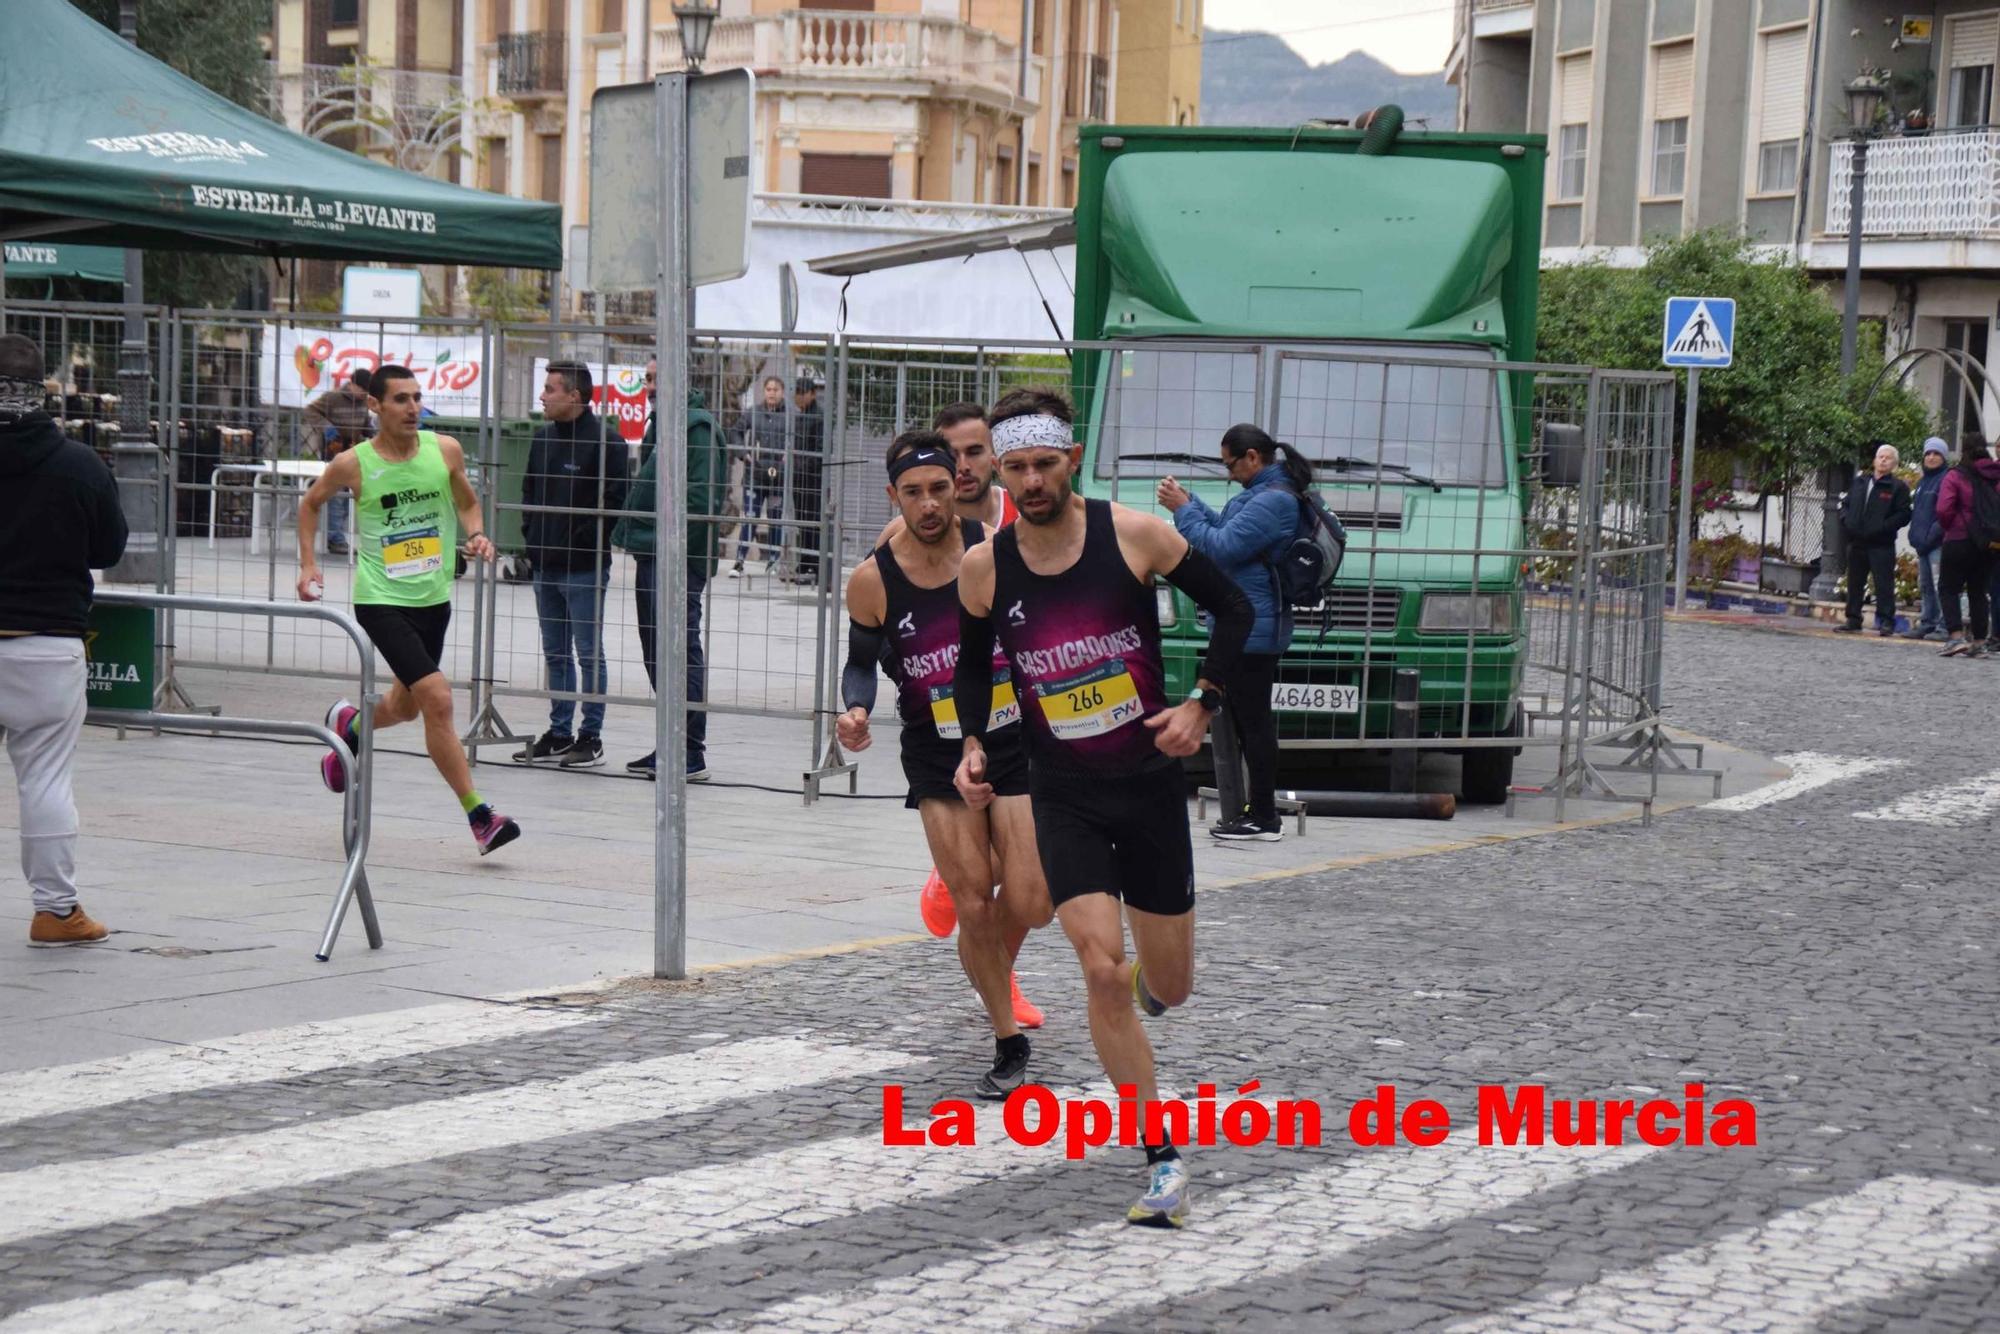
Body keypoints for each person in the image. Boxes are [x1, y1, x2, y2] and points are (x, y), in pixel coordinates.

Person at [951, 387, 1254, 1228]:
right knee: (1097, 968)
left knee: (1172, 984)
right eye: (1016, 469)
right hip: (1065, 794)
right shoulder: (988, 567)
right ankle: (1161, 1160)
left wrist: (1202, 703)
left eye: (1045, 465)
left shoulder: (1137, 534)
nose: (1032, 481)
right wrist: (975, 743)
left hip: (1150, 788)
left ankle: (1149, 996)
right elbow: (975, 667)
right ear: (1000, 474)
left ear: (1071, 458)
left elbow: (1236, 606)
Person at [838, 431, 1051, 1098]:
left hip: (1013, 738)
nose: (929, 504)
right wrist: (855, 709)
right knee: (973, 907)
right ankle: (1006, 1037)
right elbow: (859, 662)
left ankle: (986, 953)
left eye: (939, 488)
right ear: (892, 497)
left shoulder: (991, 554)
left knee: (1033, 900)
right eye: (913, 493)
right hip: (935, 749)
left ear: (957, 484)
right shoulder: (873, 579)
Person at [297, 364, 520, 856]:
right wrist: (308, 563)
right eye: (400, 399)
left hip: (432, 598)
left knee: (405, 705)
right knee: (438, 701)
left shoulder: (444, 451)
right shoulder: (353, 464)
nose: (413, 407)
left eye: (417, 398)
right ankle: (480, 816)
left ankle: (351, 727)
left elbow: (466, 501)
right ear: (374, 406)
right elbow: (311, 504)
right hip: (380, 599)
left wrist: (477, 533)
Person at [871, 405, 1023, 953]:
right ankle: (1000, 983)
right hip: (940, 732)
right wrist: (921, 673)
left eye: (974, 453)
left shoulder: (1018, 519)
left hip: (1017, 722)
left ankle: (962, 884)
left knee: (1033, 881)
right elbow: (878, 621)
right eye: (952, 454)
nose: (963, 468)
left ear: (994, 459)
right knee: (975, 891)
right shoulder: (904, 531)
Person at [0, 334, 128, 945]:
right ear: (44, 391)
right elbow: (108, 549)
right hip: (46, 641)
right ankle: (55, 912)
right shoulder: (80, 464)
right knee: (45, 780)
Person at [1157, 423, 1307, 842]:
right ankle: (1257, 812)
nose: (1229, 473)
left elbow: (1218, 548)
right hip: (1251, 625)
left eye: (1231, 464)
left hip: (1253, 630)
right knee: (1249, 723)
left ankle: (1263, 817)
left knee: (1254, 726)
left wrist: (1180, 511)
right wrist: (1190, 503)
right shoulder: (1263, 495)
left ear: (1253, 458)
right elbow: (1224, 526)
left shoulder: (1273, 502)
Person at [612, 359, 720, 782]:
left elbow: (700, 499)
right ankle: (673, 743)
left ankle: (689, 750)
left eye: (655, 379)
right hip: (654, 552)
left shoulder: (697, 429)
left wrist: (668, 544)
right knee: (657, 649)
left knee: (678, 651)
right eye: (647, 380)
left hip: (677, 559)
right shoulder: (664, 425)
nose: (649, 388)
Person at [517, 362, 628, 769]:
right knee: (555, 653)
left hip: (582, 567)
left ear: (575, 396)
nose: (543, 396)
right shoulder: (543, 439)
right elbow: (528, 490)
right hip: (545, 564)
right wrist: (532, 537)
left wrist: (583, 541)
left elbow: (614, 502)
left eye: (550, 389)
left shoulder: (608, 444)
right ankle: (560, 732)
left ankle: (591, 736)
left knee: (587, 652)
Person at [1836, 442, 1912, 636]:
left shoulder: (1898, 487)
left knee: (1883, 584)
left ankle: (1886, 621)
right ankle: (1853, 619)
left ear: (1894, 464)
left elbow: (1903, 514)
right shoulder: (1860, 482)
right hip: (1857, 541)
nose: (1883, 460)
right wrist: (1847, 520)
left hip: (1881, 543)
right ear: (1874, 460)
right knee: (1854, 582)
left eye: (1888, 458)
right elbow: (1845, 504)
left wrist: (1883, 527)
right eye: (1881, 456)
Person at [1935, 435, 2000, 658]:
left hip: (1959, 538)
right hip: (1988, 542)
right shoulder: (1995, 475)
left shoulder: (1956, 475)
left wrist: (1950, 527)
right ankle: (1980, 642)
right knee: (1979, 592)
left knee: (1948, 588)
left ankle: (1955, 637)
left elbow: (1944, 509)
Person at [300, 368, 374, 556]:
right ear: (352, 384)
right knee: (337, 496)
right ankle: (336, 539)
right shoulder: (332, 398)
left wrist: (372, 434)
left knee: (351, 497)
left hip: (353, 453)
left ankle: (338, 533)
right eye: (362, 389)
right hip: (332, 453)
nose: (364, 394)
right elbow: (310, 411)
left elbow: (366, 426)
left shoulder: (364, 402)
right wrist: (327, 428)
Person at [730, 375, 789, 576]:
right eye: (769, 389)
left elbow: (800, 437)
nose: (772, 393)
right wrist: (743, 454)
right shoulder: (752, 413)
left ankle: (773, 561)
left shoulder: (790, 415)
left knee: (775, 518)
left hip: (777, 479)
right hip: (754, 476)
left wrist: (791, 455)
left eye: (776, 389)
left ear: (782, 392)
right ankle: (739, 560)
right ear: (763, 391)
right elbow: (735, 432)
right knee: (750, 518)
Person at [1902, 437, 1951, 641]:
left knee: (1941, 585)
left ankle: (1944, 625)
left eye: (1936, 454)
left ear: (1943, 457)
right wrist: (1915, 537)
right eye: (1928, 454)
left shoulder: (1946, 479)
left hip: (1937, 543)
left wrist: (1930, 537)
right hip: (1922, 543)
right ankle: (1928, 622)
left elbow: (1944, 514)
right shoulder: (1923, 481)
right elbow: (1918, 513)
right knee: (1926, 585)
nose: (1931, 457)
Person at [790, 375, 825, 585]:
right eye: (797, 394)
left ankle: (814, 564)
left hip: (813, 479)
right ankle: (805, 561)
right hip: (800, 477)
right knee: (802, 521)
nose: (799, 398)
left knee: (813, 522)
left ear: (812, 394)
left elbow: (820, 450)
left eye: (803, 394)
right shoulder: (801, 415)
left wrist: (803, 466)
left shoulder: (818, 416)